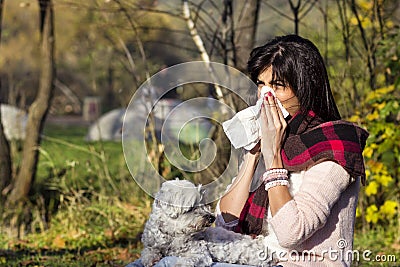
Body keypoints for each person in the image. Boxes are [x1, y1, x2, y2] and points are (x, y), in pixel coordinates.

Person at [216, 34, 368, 266]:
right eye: (261, 84)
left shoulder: (334, 148)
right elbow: (225, 221)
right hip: (257, 258)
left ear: (305, 88)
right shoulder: (273, 140)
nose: (266, 95)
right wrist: (255, 153)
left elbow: (291, 233)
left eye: (277, 86)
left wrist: (273, 156)